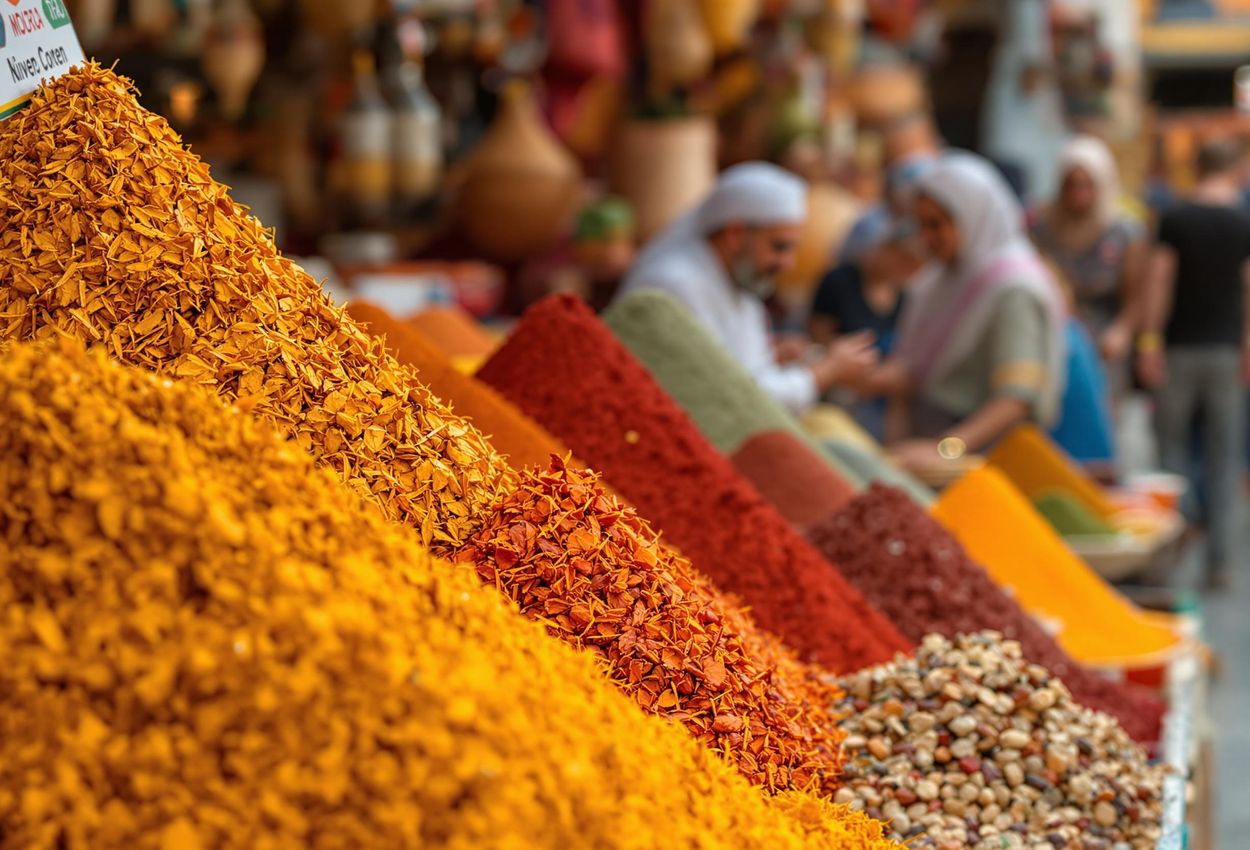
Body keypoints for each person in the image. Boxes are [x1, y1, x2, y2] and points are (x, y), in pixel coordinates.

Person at [618, 162, 877, 414]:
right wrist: (825, 372)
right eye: (779, 247)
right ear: (735, 235)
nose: (788, 263)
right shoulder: (676, 284)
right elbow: (731, 399)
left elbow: (730, 372)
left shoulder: (738, 278)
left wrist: (773, 357)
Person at [866, 152, 1067, 471]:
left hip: (985, 460)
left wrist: (946, 449)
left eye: (937, 225)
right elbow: (913, 376)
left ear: (974, 216)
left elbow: (1016, 398)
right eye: (921, 225)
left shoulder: (1013, 287)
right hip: (932, 450)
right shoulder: (941, 280)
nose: (926, 238)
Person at [1137, 139, 1250, 589]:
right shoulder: (1244, 220)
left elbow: (1159, 281)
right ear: (1235, 168)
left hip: (1179, 349)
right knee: (1225, 458)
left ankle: (1171, 560)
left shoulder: (1177, 218)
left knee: (1171, 459)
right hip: (1225, 353)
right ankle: (1220, 564)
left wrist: (1149, 342)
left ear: (1197, 167)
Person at [1032, 135, 1146, 372]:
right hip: (1054, 336)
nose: (1078, 194)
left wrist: (1122, 330)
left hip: (1102, 340)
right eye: (1071, 185)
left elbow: (1135, 296)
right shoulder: (1044, 228)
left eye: (1086, 185)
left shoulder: (1123, 232)